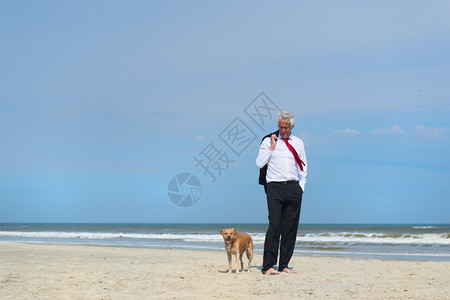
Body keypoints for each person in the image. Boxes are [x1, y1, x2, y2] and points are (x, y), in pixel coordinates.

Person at [256, 110, 307, 275]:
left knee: (290, 228)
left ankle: (284, 264)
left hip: (293, 187)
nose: (283, 130)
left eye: (286, 127)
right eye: (280, 127)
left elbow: (303, 167)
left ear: (292, 126)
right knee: (275, 225)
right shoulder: (268, 140)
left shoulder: (298, 143)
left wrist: (301, 187)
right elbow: (259, 163)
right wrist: (272, 146)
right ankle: (268, 266)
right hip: (274, 187)